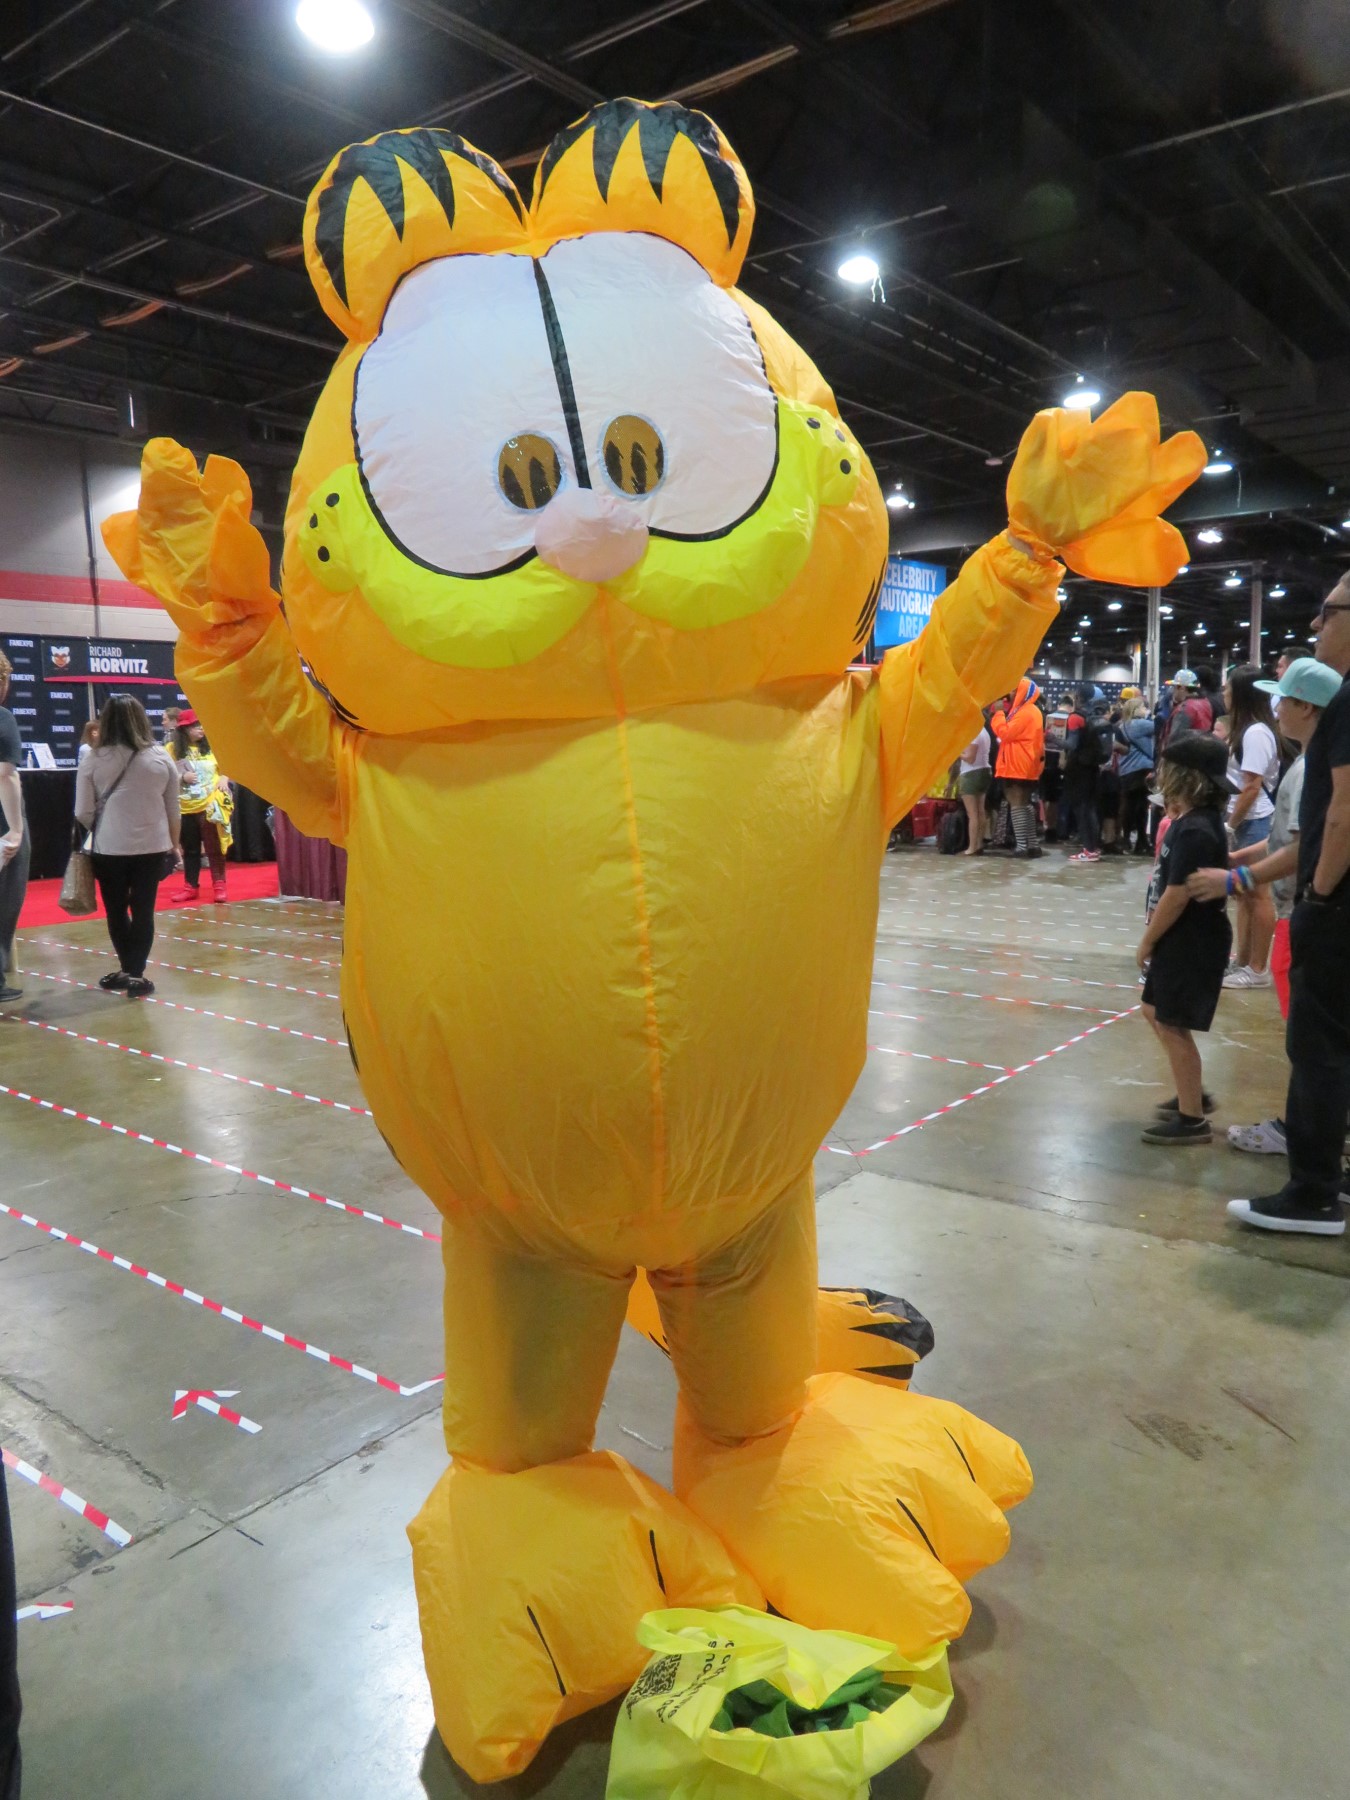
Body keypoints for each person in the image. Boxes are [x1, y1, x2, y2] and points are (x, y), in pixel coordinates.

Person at [1227, 576, 1350, 1234]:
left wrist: (1319, 897)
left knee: (1316, 1048)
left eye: (1326, 612)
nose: (1316, 625)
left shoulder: (1338, 721)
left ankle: (1313, 1191)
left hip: (1332, 909)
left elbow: (1332, 826)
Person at [1187, 658, 1343, 1156]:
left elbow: (1304, 848)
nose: (1276, 710)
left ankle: (1303, 1131)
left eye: (1284, 700)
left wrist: (1237, 877)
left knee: (1309, 1039)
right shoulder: (1311, 762)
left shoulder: (1314, 768)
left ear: (1306, 707)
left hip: (1305, 914)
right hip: (1304, 911)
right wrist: (1240, 857)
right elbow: (1286, 839)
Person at [1136, 732, 1234, 1145]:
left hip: (1191, 938)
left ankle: (1192, 1118)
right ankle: (1192, 1090)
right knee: (1154, 1009)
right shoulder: (1194, 821)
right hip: (1184, 936)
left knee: (1172, 1023)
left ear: (1186, 778)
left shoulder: (1195, 830)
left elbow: (1177, 895)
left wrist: (1148, 941)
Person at [74, 693, 180, 998]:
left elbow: (82, 811)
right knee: (144, 910)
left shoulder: (93, 758)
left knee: (116, 910)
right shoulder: (161, 757)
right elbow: (173, 809)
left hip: (109, 847)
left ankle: (128, 970)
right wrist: (174, 845)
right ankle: (136, 974)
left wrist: (102, 824)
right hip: (153, 846)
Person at [1220, 664, 1281, 989]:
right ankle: (1242, 962)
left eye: (1228, 688)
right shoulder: (1245, 730)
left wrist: (1230, 826)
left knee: (1258, 895)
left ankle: (1258, 969)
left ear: (1241, 694)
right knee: (1243, 895)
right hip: (1243, 821)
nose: (1224, 694)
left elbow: (1252, 787)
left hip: (1253, 822)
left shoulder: (1256, 733)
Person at [169, 709, 233, 903]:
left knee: (215, 848)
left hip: (210, 806)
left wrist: (224, 778)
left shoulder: (214, 746)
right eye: (196, 726)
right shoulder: (171, 749)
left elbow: (228, 766)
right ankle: (190, 886)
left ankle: (219, 886)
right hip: (184, 806)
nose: (201, 729)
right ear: (184, 729)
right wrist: (182, 777)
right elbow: (164, 774)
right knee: (190, 850)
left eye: (202, 725)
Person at [0, 650, 29, 1006]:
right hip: (1, 821)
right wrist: (16, 829)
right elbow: (5, 775)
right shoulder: (3, 718)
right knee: (5, 902)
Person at [989, 676, 1045, 858]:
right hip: (1025, 764)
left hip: (1017, 765)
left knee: (1017, 804)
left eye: (1015, 689)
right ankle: (1032, 844)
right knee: (1025, 804)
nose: (1011, 693)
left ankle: (1022, 846)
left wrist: (998, 713)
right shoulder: (1032, 711)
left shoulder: (1025, 712)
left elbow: (1005, 733)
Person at [1062, 683, 1109, 863]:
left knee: (1081, 810)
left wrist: (1051, 738)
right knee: (1090, 809)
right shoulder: (1092, 716)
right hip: (1092, 768)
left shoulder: (1075, 717)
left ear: (1076, 696)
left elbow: (1071, 745)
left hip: (1078, 769)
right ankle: (1093, 848)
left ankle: (1088, 849)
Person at [1115, 696, 1155, 853]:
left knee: (1127, 805)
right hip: (1142, 769)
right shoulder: (1141, 724)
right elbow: (1161, 726)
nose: (1145, 709)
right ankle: (1141, 841)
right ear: (1136, 710)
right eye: (1143, 707)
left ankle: (1125, 839)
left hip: (1125, 770)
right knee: (1141, 807)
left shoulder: (1122, 725)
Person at [958, 719, 993, 856]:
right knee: (980, 811)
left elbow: (970, 758)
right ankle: (979, 844)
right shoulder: (984, 732)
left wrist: (955, 752)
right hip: (985, 771)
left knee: (972, 814)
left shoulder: (974, 733)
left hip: (971, 774)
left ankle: (971, 848)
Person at [1161, 668, 1213, 747]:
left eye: (1174, 687)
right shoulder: (1205, 703)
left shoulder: (1184, 709)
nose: (1173, 691)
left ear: (1182, 688)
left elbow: (1174, 741)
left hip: (1186, 752)